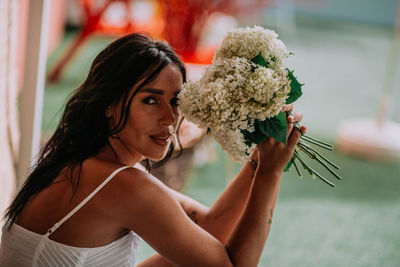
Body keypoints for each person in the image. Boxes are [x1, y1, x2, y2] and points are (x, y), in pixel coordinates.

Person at [0, 33, 305, 267]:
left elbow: (212, 226)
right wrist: (270, 171)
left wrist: (257, 160)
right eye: (150, 100)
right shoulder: (124, 185)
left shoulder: (85, 162)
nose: (169, 118)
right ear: (109, 104)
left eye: (174, 101)